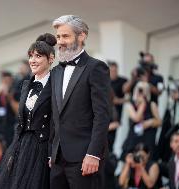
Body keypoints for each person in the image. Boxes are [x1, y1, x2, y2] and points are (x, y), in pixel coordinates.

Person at [49, 15, 111, 189]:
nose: (60, 41)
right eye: (59, 37)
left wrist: (93, 154)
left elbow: (102, 115)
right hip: (57, 159)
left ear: (81, 36)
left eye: (65, 36)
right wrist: (50, 153)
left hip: (85, 158)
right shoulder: (55, 72)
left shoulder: (96, 67)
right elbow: (55, 116)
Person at [0, 33, 56, 189]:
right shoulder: (26, 84)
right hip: (21, 145)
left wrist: (53, 152)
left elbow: (58, 121)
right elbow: (21, 121)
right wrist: (14, 149)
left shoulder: (56, 84)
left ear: (51, 58)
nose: (32, 60)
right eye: (31, 56)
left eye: (38, 56)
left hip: (42, 148)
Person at [121, 81, 162, 159]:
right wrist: (142, 104)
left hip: (148, 138)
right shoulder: (130, 105)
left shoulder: (152, 104)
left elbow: (159, 122)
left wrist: (150, 122)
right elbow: (137, 118)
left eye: (143, 90)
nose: (141, 92)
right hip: (134, 139)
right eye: (139, 90)